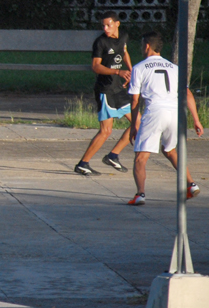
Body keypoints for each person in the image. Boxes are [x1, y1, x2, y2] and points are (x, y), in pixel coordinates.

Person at [127, 32, 203, 205]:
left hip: (155, 112)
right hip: (175, 113)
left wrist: (134, 124)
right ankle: (191, 184)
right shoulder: (175, 68)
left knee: (141, 157)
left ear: (147, 46)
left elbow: (135, 100)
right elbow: (187, 93)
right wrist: (196, 120)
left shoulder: (139, 68)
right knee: (170, 150)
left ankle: (140, 194)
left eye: (142, 45)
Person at [74, 11, 133, 176]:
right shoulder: (100, 42)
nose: (106, 28)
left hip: (119, 89)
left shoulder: (123, 37)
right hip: (105, 90)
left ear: (117, 24)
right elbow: (95, 67)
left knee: (138, 124)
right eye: (103, 26)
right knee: (106, 131)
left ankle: (113, 155)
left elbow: (124, 51)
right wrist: (117, 72)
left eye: (109, 25)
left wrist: (130, 69)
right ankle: (83, 164)